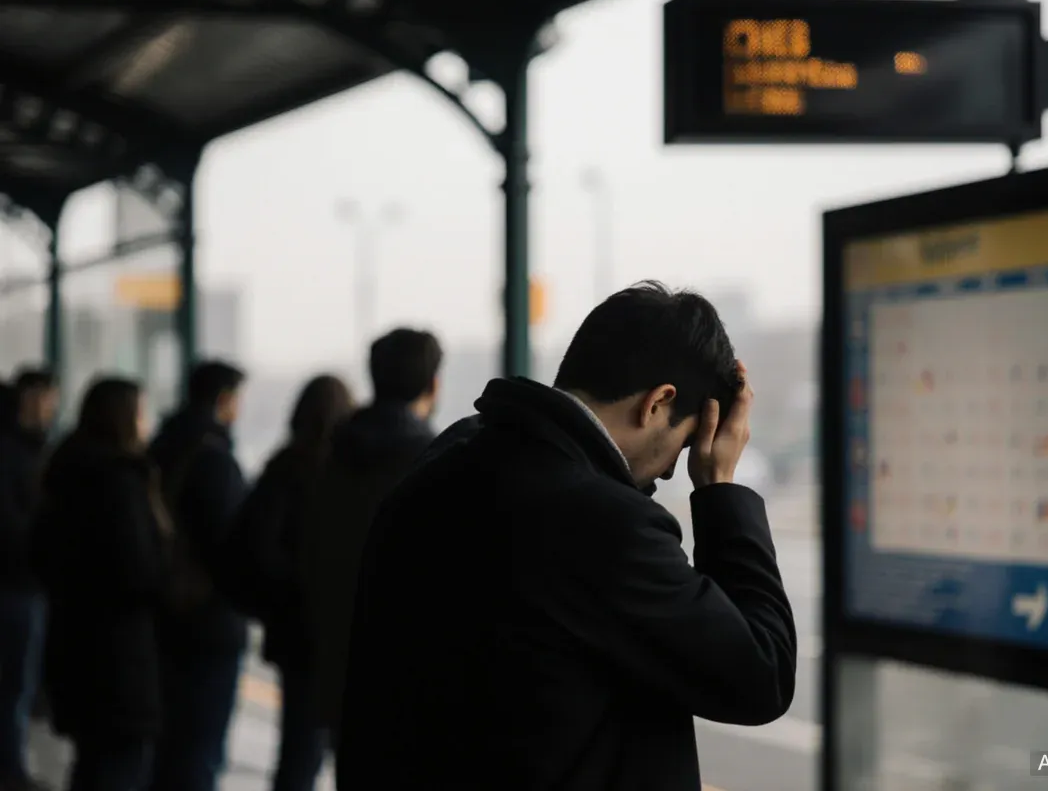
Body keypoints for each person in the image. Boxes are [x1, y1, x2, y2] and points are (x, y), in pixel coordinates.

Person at [337, 281, 797, 791]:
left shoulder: (454, 456)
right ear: (658, 403)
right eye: (685, 442)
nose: (671, 472)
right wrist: (719, 492)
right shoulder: (602, 525)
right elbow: (761, 674)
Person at [299, 328, 442, 752]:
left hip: (337, 666)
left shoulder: (332, 457)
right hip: (412, 673)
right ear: (434, 385)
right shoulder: (435, 463)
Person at [33, 377, 172, 791]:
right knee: (121, 767)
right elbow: (139, 571)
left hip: (75, 645)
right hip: (119, 658)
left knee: (93, 764)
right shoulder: (120, 483)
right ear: (126, 419)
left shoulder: (64, 474)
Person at [233, 375, 354, 791]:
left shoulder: (283, 469)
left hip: (294, 636)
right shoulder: (348, 474)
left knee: (298, 751)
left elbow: (256, 549)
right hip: (341, 635)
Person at [146, 360, 249, 791]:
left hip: (158, 611)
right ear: (225, 399)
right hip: (206, 620)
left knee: (168, 744)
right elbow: (229, 546)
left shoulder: (159, 445)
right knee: (198, 750)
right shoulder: (214, 457)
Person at [0, 368, 58, 791]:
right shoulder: (18, 453)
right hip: (17, 584)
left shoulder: (27, 451)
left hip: (21, 582)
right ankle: (9, 767)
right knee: (15, 683)